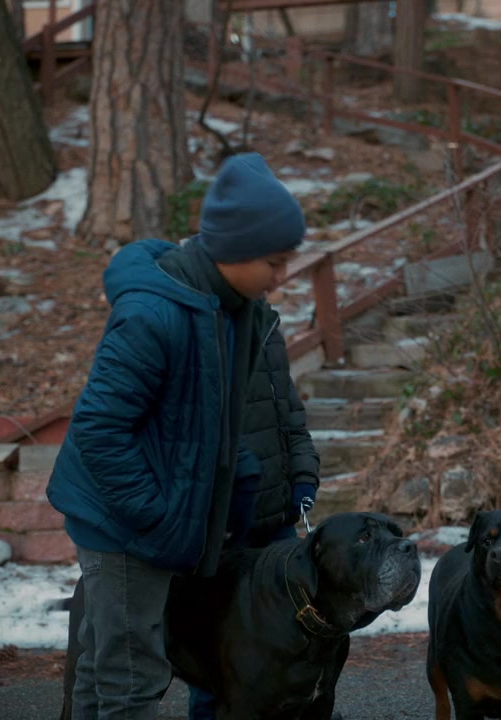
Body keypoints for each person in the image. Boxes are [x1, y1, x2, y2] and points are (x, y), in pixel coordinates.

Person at [46, 152, 306, 720]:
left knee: (102, 667)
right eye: (274, 262)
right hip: (121, 526)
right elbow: (98, 428)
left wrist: (237, 485)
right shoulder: (154, 315)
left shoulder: (233, 311)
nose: (282, 276)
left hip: (150, 518)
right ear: (235, 250)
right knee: (132, 676)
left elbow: (215, 420)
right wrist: (156, 516)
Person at [185, 306, 321, 720]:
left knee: (292, 640)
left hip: (277, 523)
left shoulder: (268, 325)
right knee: (215, 653)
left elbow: (290, 418)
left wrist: (304, 477)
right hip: (221, 528)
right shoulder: (195, 324)